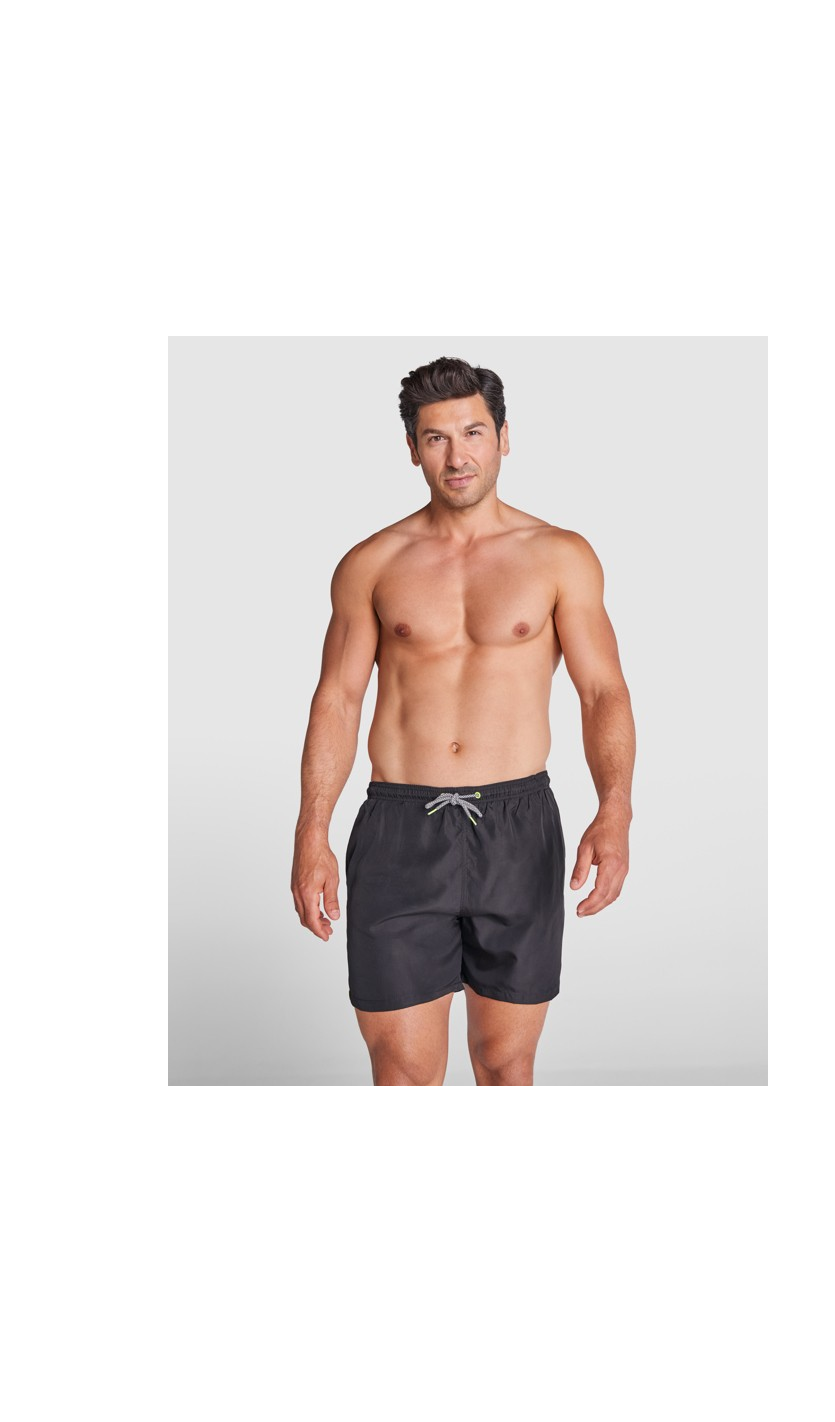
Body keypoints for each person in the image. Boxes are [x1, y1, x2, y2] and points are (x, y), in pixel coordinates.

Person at [290, 356, 635, 1086]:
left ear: (504, 437)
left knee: (506, 1065)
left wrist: (615, 809)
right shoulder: (372, 563)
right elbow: (337, 700)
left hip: (517, 827)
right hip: (399, 829)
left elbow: (602, 691)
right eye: (436, 437)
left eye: (473, 432)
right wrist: (311, 830)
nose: (457, 456)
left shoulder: (560, 556)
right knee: (403, 1072)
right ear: (412, 448)